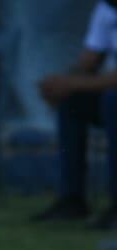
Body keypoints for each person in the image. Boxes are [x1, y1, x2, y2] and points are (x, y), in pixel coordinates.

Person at [32, 0, 117, 230]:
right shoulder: (107, 10)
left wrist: (72, 83)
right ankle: (72, 199)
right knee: (72, 102)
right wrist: (60, 85)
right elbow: (87, 63)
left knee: (112, 100)